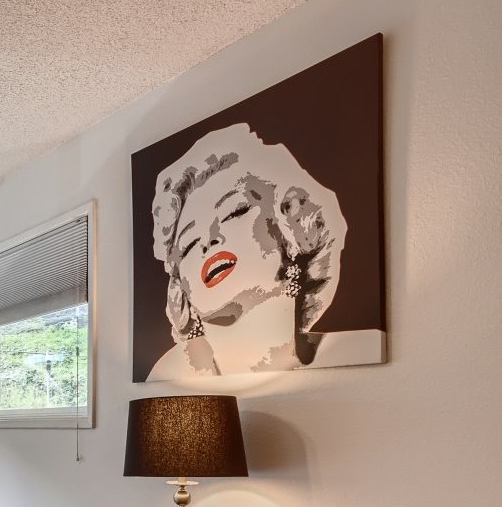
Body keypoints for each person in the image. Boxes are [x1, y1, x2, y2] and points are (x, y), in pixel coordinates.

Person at [146, 122, 377, 379]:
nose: (208, 241)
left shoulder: (358, 352)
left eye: (235, 212)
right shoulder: (167, 375)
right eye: (188, 245)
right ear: (181, 289)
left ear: (290, 229)